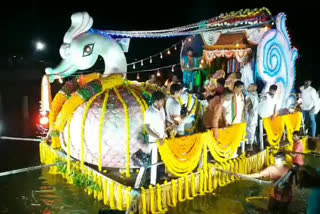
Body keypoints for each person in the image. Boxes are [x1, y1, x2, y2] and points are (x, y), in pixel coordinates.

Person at [144, 91, 167, 185]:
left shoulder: (162, 109)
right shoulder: (149, 112)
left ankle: (162, 175)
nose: (163, 102)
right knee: (153, 160)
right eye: (162, 100)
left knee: (163, 158)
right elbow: (147, 128)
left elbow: (163, 122)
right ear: (156, 101)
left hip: (163, 138)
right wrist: (158, 138)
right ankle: (152, 182)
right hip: (154, 141)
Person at [245, 83, 259, 150]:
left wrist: (244, 110)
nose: (248, 87)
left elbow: (246, 105)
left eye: (250, 87)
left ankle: (250, 146)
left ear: (254, 88)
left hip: (250, 117)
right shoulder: (256, 96)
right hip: (254, 117)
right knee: (252, 131)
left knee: (249, 131)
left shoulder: (250, 96)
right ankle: (251, 145)